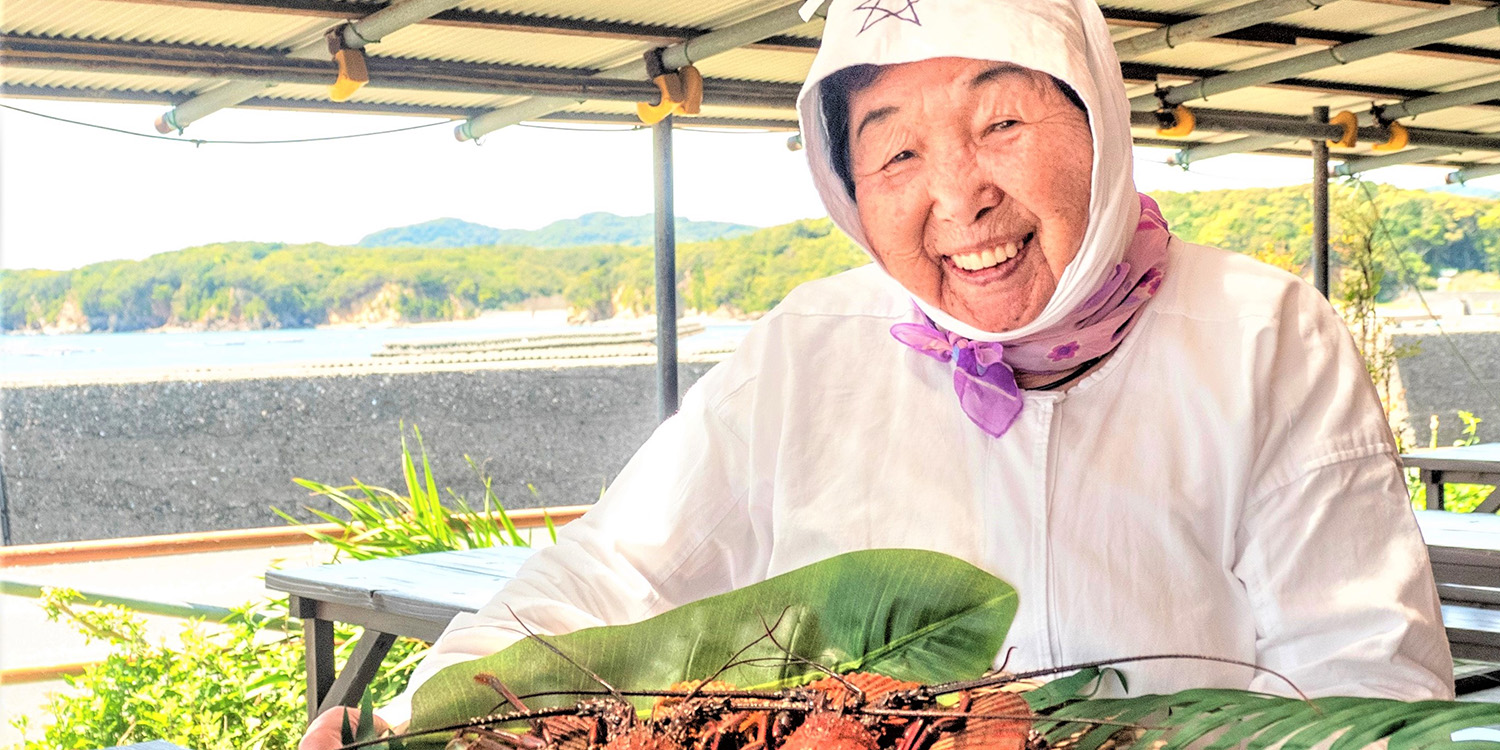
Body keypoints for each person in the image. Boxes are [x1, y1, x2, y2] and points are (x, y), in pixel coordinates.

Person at [302, 0, 1453, 744]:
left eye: (1000, 124)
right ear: (847, 185)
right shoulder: (810, 345)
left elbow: (1366, 692)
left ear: (1095, 122)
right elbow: (610, 581)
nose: (958, 196)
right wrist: (412, 720)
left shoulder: (1263, 335)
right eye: (897, 150)